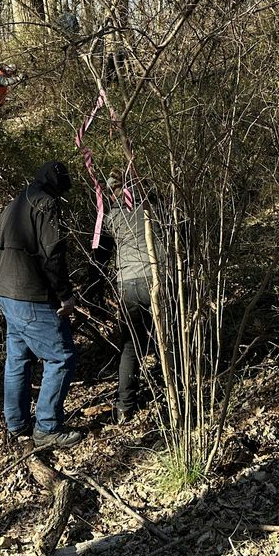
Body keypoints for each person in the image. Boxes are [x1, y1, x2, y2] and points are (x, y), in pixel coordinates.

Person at [0, 160, 81, 448]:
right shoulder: (46, 204)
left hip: (6, 293)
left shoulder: (13, 204)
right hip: (31, 295)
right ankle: (47, 427)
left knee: (18, 360)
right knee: (62, 357)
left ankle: (17, 424)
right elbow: (52, 254)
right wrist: (65, 294)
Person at [99, 171, 164, 424]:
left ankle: (125, 407)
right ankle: (175, 392)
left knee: (130, 346)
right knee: (165, 338)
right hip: (158, 278)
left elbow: (100, 255)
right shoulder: (155, 208)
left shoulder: (109, 217)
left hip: (127, 284)